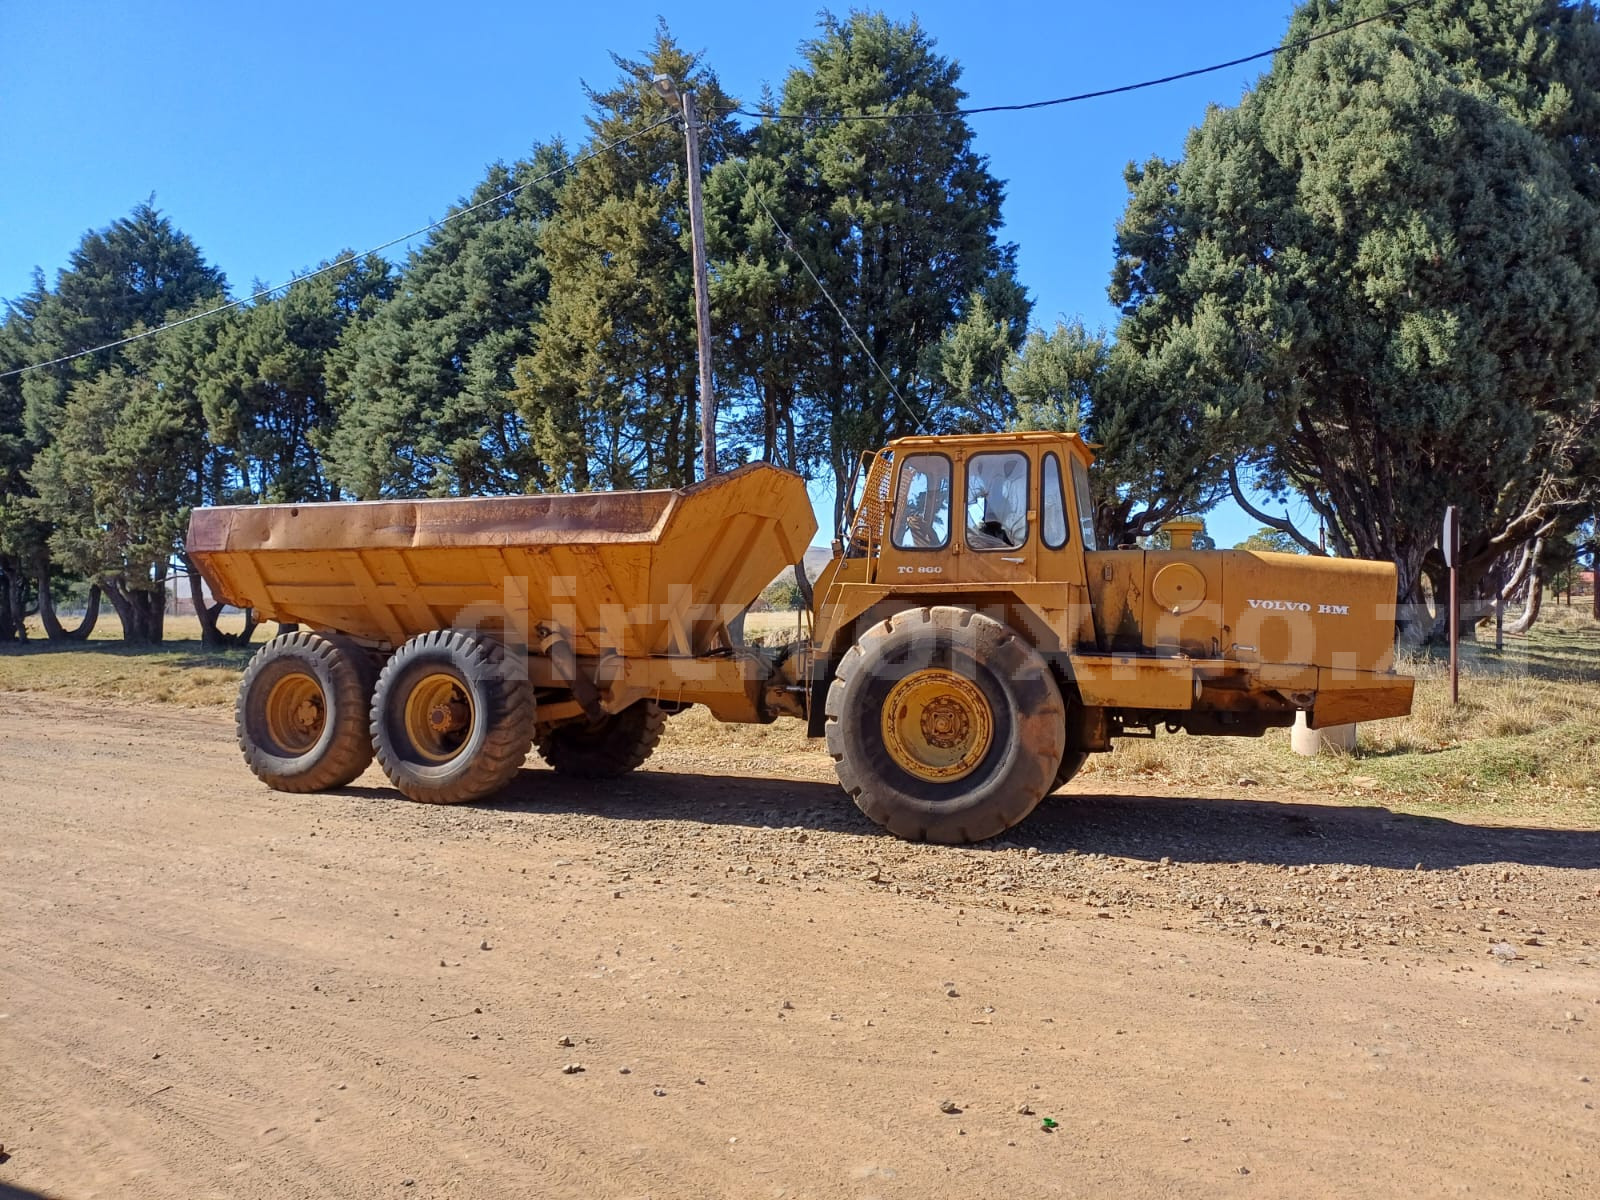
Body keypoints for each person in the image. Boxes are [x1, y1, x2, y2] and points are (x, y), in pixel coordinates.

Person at [967, 456, 1026, 548]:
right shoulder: (974, 532)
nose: (991, 507)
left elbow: (1022, 550)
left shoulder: (1017, 525)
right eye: (989, 500)